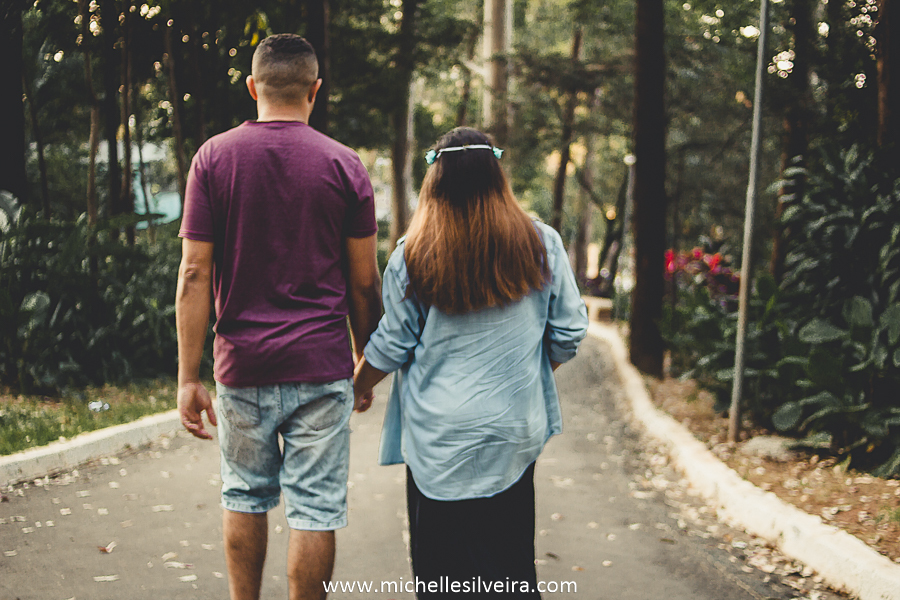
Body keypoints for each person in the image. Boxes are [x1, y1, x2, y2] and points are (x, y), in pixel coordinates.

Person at [175, 34, 382, 600]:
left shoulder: (213, 159)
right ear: (316, 91)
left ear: (252, 88)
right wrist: (368, 363)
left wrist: (189, 377)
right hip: (321, 367)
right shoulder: (344, 164)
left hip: (242, 367)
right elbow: (365, 281)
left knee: (243, 495)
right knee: (315, 509)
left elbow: (194, 274)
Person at [353, 127, 589, 598]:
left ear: (433, 181)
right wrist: (526, 370)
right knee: (509, 568)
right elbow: (568, 334)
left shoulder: (412, 255)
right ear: (496, 174)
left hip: (439, 441)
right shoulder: (541, 243)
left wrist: (360, 385)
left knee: (442, 577)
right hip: (512, 432)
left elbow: (392, 343)